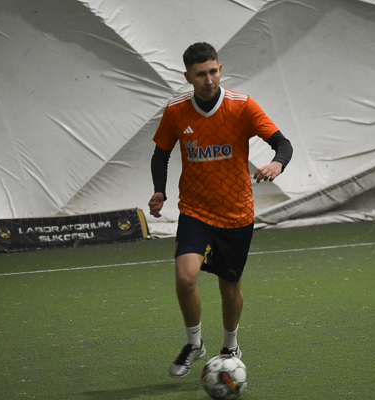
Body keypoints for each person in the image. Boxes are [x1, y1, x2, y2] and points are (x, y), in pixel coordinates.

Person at [148, 42, 293, 378]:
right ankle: (194, 343)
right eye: (201, 74)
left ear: (220, 69)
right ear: (188, 77)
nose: (209, 79)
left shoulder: (242, 106)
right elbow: (160, 154)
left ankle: (230, 346)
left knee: (230, 289)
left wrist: (277, 163)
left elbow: (282, 143)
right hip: (195, 211)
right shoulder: (176, 111)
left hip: (236, 213)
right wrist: (159, 191)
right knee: (185, 277)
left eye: (213, 71)